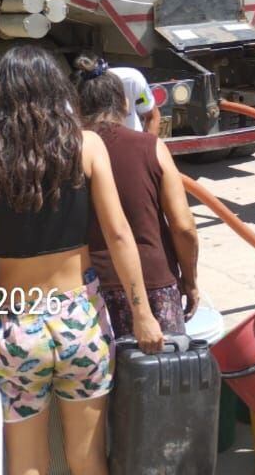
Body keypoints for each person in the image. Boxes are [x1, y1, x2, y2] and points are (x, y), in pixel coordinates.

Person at [0, 46, 163, 475]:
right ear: (57, 90)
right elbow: (118, 235)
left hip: (15, 326)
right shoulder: (87, 145)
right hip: (80, 317)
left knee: (26, 463)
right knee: (86, 457)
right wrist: (142, 313)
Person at [72, 54, 200, 335]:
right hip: (154, 282)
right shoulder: (150, 147)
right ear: (125, 104)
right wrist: (189, 281)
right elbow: (183, 226)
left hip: (90, 289)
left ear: (79, 106)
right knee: (163, 374)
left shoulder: (68, 154)